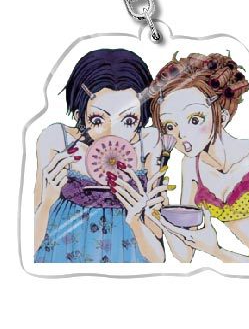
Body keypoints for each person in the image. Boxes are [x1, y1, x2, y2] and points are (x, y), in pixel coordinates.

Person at [148, 52, 249, 262]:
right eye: (170, 126)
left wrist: (215, 250)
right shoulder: (191, 166)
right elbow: (184, 255)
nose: (181, 134)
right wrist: (160, 210)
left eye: (194, 119)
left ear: (223, 116)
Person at [34, 48, 167, 263]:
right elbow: (32, 244)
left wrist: (139, 218)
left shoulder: (149, 143)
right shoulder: (56, 141)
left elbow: (158, 257)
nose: (112, 133)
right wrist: (49, 198)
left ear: (141, 118)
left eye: (128, 121)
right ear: (80, 115)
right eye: (97, 120)